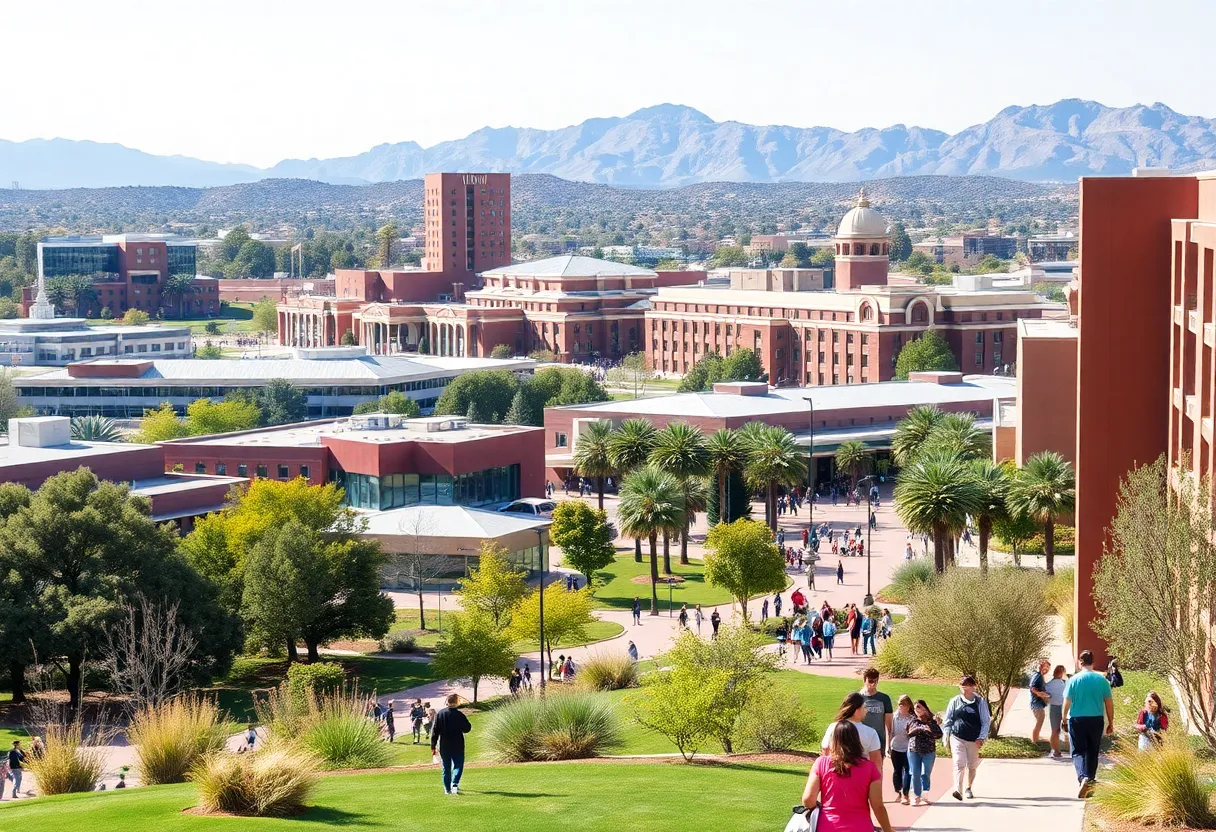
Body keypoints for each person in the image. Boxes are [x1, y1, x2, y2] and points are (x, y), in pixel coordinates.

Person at [803, 721, 896, 832]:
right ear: (856, 740)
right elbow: (878, 806)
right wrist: (888, 830)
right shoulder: (870, 768)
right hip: (860, 826)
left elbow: (808, 800)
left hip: (828, 826)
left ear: (834, 740)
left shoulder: (821, 763)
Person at [1063, 649, 1114, 797]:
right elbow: (1109, 703)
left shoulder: (1073, 680)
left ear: (1080, 662)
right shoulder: (1102, 680)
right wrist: (1111, 722)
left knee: (1078, 751)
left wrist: (1063, 718)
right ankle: (1089, 781)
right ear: (1094, 662)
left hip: (1077, 719)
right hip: (1096, 719)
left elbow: (1067, 702)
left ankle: (1082, 777)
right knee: (1092, 751)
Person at [943, 676, 991, 801]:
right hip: (957, 736)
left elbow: (986, 721)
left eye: (967, 685)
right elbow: (948, 720)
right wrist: (946, 735)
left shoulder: (980, 702)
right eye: (962, 685)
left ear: (973, 686)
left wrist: (981, 737)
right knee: (959, 763)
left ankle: (968, 787)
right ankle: (957, 790)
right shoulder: (955, 701)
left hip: (974, 739)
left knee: (972, 766)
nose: (964, 688)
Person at [821, 693, 883, 768]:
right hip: (861, 776)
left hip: (835, 774)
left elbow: (825, 752)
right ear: (857, 711)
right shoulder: (871, 733)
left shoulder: (832, 727)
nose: (866, 711)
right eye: (864, 708)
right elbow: (876, 763)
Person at [431, 693, 472, 795]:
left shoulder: (440, 714)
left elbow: (435, 731)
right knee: (458, 765)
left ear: (447, 702)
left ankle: (447, 789)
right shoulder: (459, 715)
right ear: (456, 702)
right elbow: (467, 728)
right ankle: (455, 783)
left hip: (444, 745)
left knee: (446, 767)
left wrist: (433, 745)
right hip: (458, 744)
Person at [906, 700, 943, 807]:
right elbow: (910, 733)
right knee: (915, 773)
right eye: (915, 707)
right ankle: (916, 796)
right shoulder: (913, 721)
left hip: (929, 751)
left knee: (925, 774)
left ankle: (925, 794)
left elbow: (938, 734)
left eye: (918, 707)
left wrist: (930, 728)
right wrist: (922, 729)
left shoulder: (932, 722)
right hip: (914, 750)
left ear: (925, 709)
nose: (916, 709)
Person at [859, 668, 894, 771]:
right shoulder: (857, 698)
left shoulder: (884, 699)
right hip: (860, 740)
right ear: (864, 680)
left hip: (879, 740)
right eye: (870, 681)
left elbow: (889, 725)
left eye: (876, 681)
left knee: (877, 771)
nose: (873, 684)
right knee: (860, 771)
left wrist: (888, 745)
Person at [890, 695, 915, 805]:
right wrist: (888, 747)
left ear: (908, 706)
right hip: (895, 747)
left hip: (908, 748)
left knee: (908, 770)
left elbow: (914, 734)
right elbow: (890, 732)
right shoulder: (894, 717)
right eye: (899, 704)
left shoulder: (912, 719)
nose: (901, 706)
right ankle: (898, 792)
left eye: (903, 704)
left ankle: (906, 794)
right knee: (897, 770)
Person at [1045, 664, 1067, 758]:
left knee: (1055, 730)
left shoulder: (1049, 684)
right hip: (1063, 707)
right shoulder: (1064, 683)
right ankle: (1056, 750)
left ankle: (1055, 750)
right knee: (1059, 730)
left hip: (1055, 707)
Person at [1029, 659, 1051, 745]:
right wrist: (1039, 694)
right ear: (1041, 666)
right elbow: (1032, 688)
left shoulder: (1040, 675)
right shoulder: (1037, 676)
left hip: (1038, 703)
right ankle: (1034, 741)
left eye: (1048, 668)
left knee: (1039, 721)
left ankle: (1036, 738)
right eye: (1046, 667)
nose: (1047, 669)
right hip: (1036, 703)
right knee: (1039, 722)